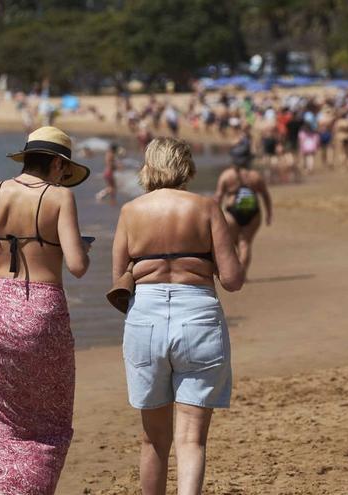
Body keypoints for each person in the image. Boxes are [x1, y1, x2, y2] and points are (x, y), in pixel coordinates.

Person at [0, 126, 91, 494]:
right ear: (58, 164)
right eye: (64, 170)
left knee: (0, 422)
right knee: (47, 422)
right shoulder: (59, 198)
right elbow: (76, 265)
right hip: (43, 314)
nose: (63, 177)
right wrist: (80, 249)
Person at [111, 137, 243, 495]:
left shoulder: (130, 211)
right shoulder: (206, 207)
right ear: (186, 166)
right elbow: (231, 280)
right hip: (197, 314)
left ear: (148, 166)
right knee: (191, 439)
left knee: (153, 439)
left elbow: (119, 278)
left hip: (146, 317)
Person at [215, 147, 273, 279]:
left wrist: (214, 217)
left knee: (232, 244)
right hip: (253, 213)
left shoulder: (227, 176)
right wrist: (269, 214)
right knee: (245, 243)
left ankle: (235, 273)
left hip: (232, 213)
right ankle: (242, 274)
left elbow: (218, 197)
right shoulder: (255, 176)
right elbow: (265, 195)